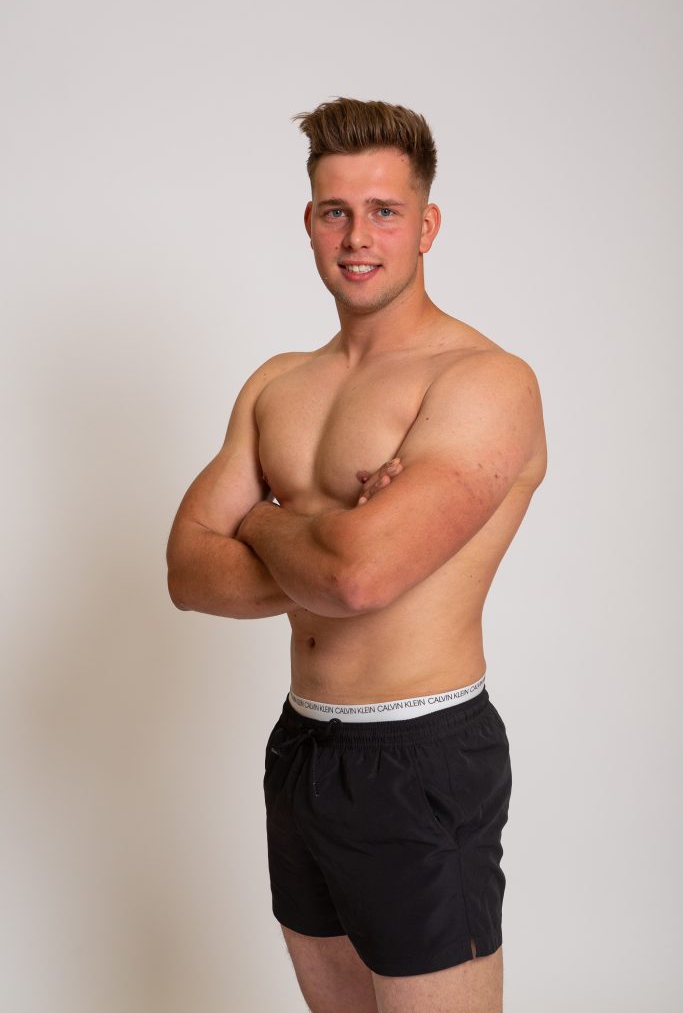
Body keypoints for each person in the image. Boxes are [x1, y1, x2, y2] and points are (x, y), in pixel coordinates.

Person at [166, 96, 547, 1013]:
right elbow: (185, 571)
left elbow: (358, 577)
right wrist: (320, 525)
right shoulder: (277, 383)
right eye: (336, 211)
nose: (357, 236)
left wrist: (263, 518)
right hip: (301, 744)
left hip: (420, 753)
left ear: (427, 225)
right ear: (309, 222)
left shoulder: (483, 382)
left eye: (383, 211)